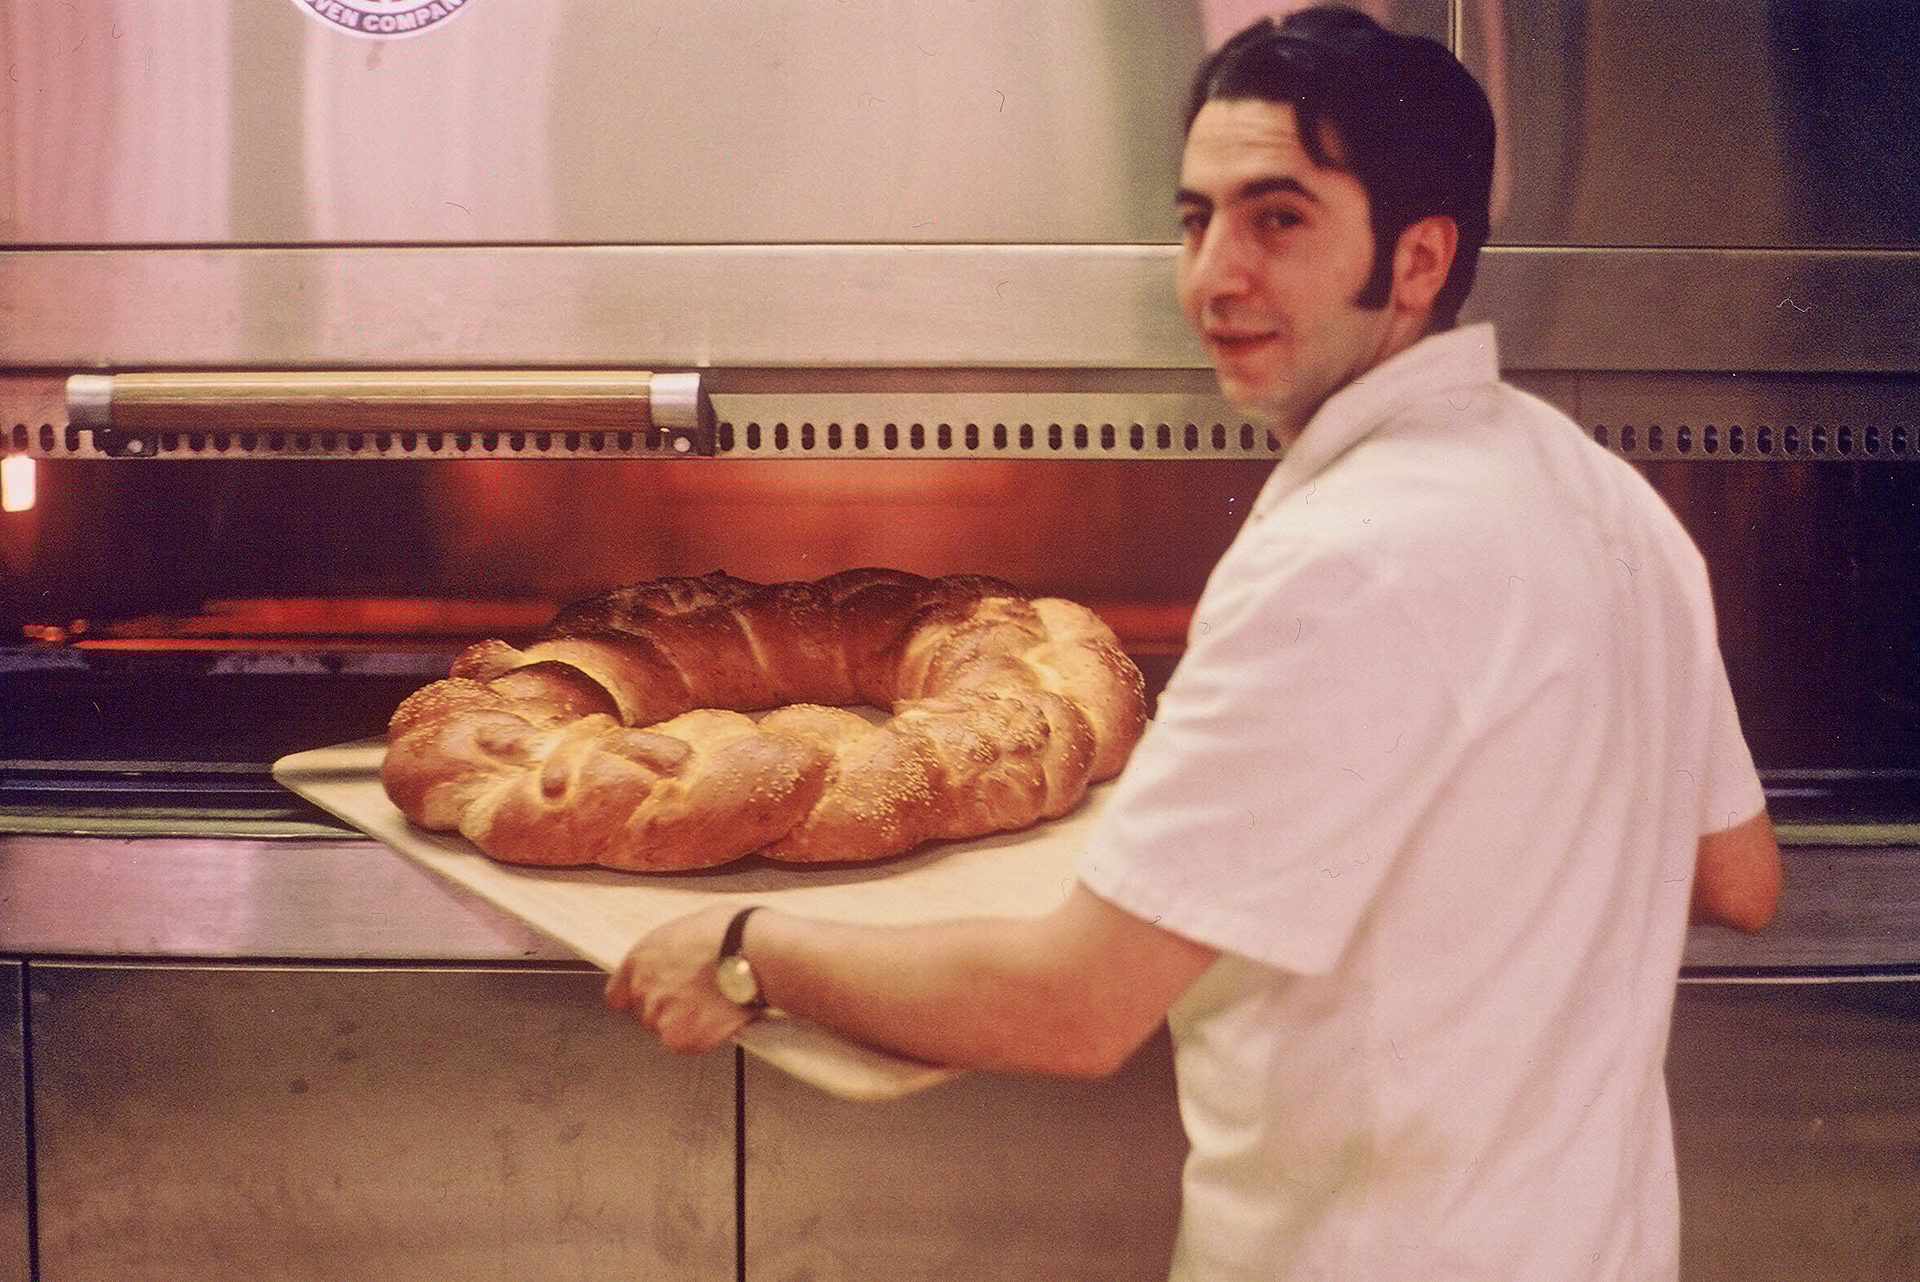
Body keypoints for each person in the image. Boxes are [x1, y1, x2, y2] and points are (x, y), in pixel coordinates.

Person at [606, 7, 1784, 1278]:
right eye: (1194, 218)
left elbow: (1076, 1005)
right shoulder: (1604, 498)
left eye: (1278, 219)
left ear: (1420, 258)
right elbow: (1740, 880)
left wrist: (747, 948)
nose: (1213, 275)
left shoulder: (1338, 563)